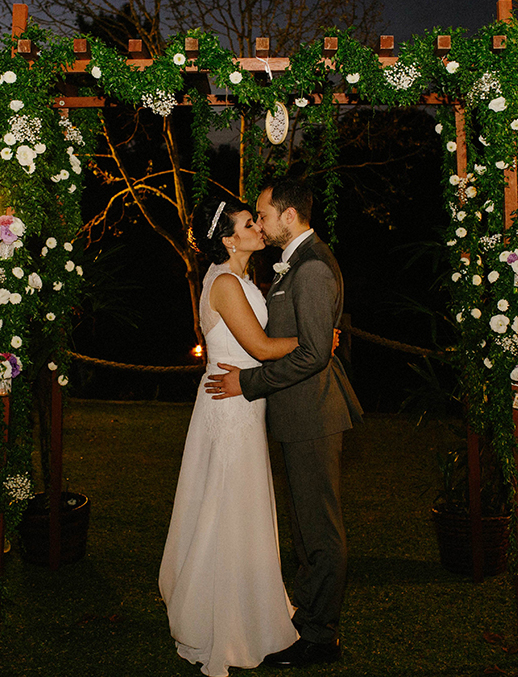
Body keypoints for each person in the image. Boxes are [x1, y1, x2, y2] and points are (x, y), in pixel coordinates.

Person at [205, 178, 362, 669]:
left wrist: (248, 383)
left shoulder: (311, 268)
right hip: (296, 412)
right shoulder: (294, 263)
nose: (261, 221)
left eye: (264, 214)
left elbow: (314, 354)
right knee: (306, 523)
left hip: (313, 411)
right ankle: (306, 615)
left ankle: (319, 635)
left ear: (288, 216)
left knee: (320, 528)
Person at [158, 196, 300, 677]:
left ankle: (250, 606)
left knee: (239, 504)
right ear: (228, 239)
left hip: (243, 401)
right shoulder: (223, 283)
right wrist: (316, 342)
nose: (259, 228)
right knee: (229, 504)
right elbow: (259, 347)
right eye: (249, 223)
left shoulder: (241, 278)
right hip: (231, 405)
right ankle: (225, 620)